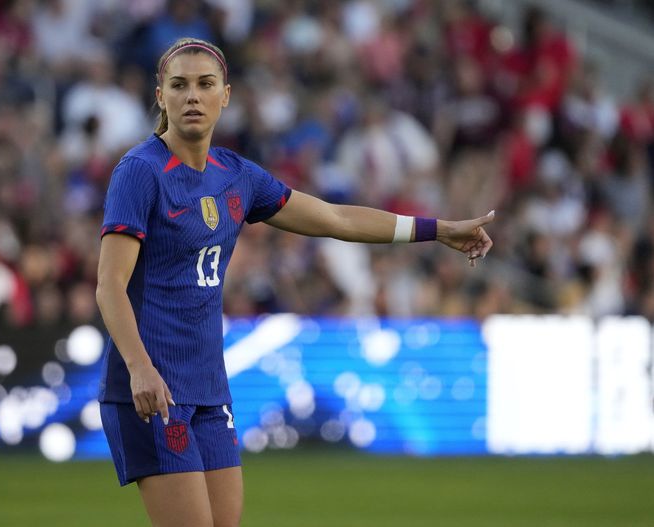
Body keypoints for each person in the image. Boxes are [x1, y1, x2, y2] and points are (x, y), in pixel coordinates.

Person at [96, 37, 495, 527]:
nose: (192, 96)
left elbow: (335, 219)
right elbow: (109, 285)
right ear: (161, 96)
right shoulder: (140, 172)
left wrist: (438, 230)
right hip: (150, 386)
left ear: (226, 95)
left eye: (205, 85)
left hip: (208, 388)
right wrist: (139, 368)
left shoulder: (236, 175)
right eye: (179, 86)